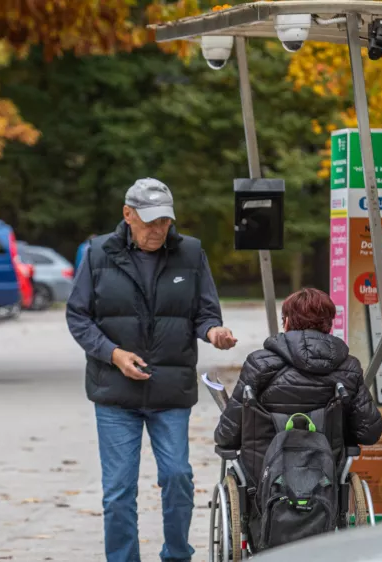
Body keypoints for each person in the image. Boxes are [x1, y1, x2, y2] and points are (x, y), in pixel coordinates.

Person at [66, 178, 238, 562]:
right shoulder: (97, 254)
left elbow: (205, 311)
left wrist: (214, 332)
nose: (158, 230)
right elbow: (78, 317)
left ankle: (177, 555)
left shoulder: (190, 253)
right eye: (149, 221)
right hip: (114, 392)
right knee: (118, 490)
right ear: (128, 215)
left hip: (169, 390)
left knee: (178, 477)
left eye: (165, 221)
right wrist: (112, 354)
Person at [213, 287, 382, 504]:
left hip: (263, 483)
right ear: (329, 325)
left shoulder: (259, 364)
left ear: (286, 322)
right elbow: (369, 432)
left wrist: (224, 439)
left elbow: (228, 433)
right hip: (325, 481)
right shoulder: (348, 368)